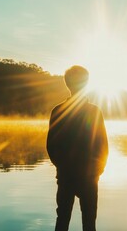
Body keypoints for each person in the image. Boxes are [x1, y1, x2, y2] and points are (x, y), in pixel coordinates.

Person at [47, 65, 108, 231]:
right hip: (86, 176)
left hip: (71, 175)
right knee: (88, 222)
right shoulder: (94, 111)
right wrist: (96, 170)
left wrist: (63, 167)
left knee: (63, 220)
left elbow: (52, 146)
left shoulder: (58, 111)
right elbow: (102, 145)